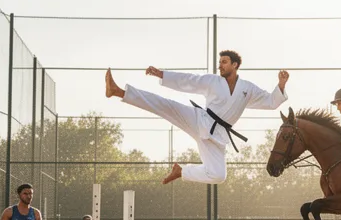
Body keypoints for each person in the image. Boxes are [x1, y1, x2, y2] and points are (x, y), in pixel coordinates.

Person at [105, 50, 289, 184]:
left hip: (217, 136)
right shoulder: (212, 81)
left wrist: (281, 84)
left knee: (219, 175)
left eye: (224, 62)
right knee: (166, 106)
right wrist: (161, 74)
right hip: (200, 120)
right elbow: (189, 81)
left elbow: (270, 101)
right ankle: (119, 91)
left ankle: (181, 171)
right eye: (220, 62)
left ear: (235, 65)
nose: (220, 65)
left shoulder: (247, 89)